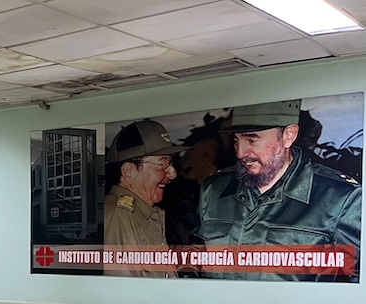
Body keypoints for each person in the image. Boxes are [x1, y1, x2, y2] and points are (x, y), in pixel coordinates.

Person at [196, 99, 361, 281]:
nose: (240, 153)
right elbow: (193, 261)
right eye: (235, 141)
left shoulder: (340, 198)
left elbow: (356, 285)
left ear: (288, 135)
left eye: (252, 139)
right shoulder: (214, 188)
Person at [103, 119, 187, 277]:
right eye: (163, 163)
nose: (173, 173)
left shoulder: (142, 214)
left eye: (170, 162)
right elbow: (120, 289)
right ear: (129, 171)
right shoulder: (118, 217)